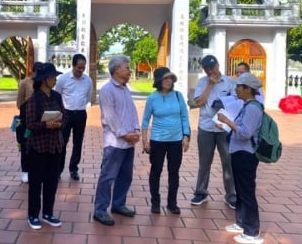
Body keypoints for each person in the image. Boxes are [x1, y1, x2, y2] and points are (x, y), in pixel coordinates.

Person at [216, 73, 265, 244]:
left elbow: (245, 133)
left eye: (239, 86)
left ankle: (252, 232)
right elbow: (240, 131)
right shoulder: (247, 105)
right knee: (240, 190)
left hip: (246, 155)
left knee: (247, 192)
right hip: (239, 152)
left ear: (247, 89)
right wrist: (225, 125)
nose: (235, 89)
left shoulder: (253, 108)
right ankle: (241, 222)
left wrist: (227, 121)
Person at [93, 56, 140, 226]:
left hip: (128, 141)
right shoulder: (107, 90)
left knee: (125, 176)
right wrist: (123, 134)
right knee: (108, 176)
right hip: (114, 142)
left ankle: (118, 204)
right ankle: (100, 210)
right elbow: (109, 116)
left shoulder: (125, 89)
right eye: (127, 68)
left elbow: (132, 111)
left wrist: (136, 129)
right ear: (117, 69)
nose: (129, 71)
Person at [141, 67, 190, 215]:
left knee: (174, 172)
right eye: (166, 78)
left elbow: (184, 117)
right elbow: (145, 120)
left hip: (176, 140)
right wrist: (145, 141)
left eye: (171, 79)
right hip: (157, 140)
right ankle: (155, 202)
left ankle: (172, 203)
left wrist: (186, 136)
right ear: (159, 80)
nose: (169, 81)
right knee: (156, 171)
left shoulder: (178, 96)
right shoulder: (152, 98)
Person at [191, 54, 237, 209]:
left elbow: (236, 103)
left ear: (218, 65)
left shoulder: (230, 82)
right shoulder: (202, 82)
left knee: (228, 161)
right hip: (206, 127)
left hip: (224, 128)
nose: (211, 71)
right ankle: (201, 192)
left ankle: (231, 195)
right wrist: (210, 85)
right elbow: (199, 102)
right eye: (207, 68)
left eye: (213, 67)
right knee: (204, 162)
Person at [24, 63, 65, 230]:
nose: (55, 79)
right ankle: (33, 215)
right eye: (52, 77)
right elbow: (30, 124)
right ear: (44, 79)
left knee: (52, 181)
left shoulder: (57, 96)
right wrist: (47, 125)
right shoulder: (34, 100)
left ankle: (48, 213)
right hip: (38, 146)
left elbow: (65, 114)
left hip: (55, 145)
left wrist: (60, 122)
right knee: (36, 183)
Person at [55, 53, 93, 181]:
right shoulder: (63, 79)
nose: (81, 71)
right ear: (73, 65)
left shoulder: (88, 80)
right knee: (62, 141)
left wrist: (80, 106)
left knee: (78, 142)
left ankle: (73, 169)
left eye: (83, 68)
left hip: (81, 114)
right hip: (66, 114)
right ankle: (58, 169)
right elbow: (57, 96)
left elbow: (88, 97)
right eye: (78, 68)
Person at [16, 61, 42, 183]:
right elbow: (19, 102)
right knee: (25, 145)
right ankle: (25, 170)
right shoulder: (25, 82)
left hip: (40, 120)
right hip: (26, 120)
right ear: (34, 71)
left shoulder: (44, 83)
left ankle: (37, 169)